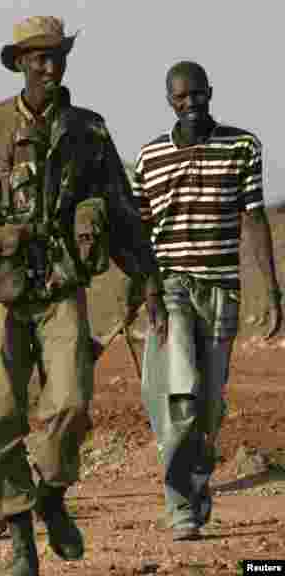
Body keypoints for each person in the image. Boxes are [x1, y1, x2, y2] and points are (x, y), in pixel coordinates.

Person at [0, 16, 166, 575]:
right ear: (19, 63)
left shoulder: (89, 132)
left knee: (71, 403)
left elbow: (121, 210)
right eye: (37, 56)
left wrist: (148, 278)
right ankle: (20, 537)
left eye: (56, 55)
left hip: (62, 284)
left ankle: (53, 493)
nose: (49, 65)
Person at [132, 60, 282, 541]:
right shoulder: (149, 157)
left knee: (209, 410)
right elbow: (138, 234)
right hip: (172, 287)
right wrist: (147, 292)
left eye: (198, 95)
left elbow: (254, 220)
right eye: (181, 97)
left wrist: (272, 292)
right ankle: (180, 508)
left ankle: (196, 500)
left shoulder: (242, 146)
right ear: (169, 101)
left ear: (210, 93)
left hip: (222, 293)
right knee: (179, 399)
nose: (191, 104)